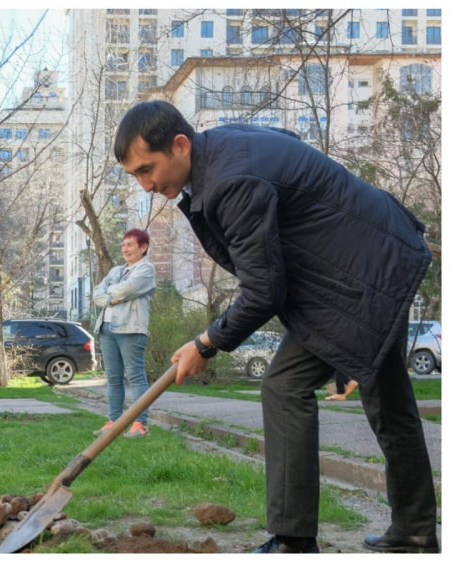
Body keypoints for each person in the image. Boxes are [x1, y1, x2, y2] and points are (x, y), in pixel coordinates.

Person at [113, 100, 438, 554]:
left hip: (364, 277)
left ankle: (293, 539)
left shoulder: (229, 181)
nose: (147, 185)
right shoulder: (220, 150)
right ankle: (416, 530)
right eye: (136, 177)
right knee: (390, 403)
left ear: (180, 145)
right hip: (376, 257)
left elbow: (265, 291)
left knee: (285, 387)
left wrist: (205, 344)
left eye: (148, 169)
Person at [91, 229, 156, 438]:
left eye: (130, 245)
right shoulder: (116, 271)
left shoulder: (146, 269)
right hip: (107, 328)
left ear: (143, 247)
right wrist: (112, 298)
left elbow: (129, 289)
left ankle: (140, 424)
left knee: (136, 376)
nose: (124, 249)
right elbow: (96, 293)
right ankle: (115, 421)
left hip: (131, 328)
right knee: (113, 377)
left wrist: (113, 292)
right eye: (123, 244)